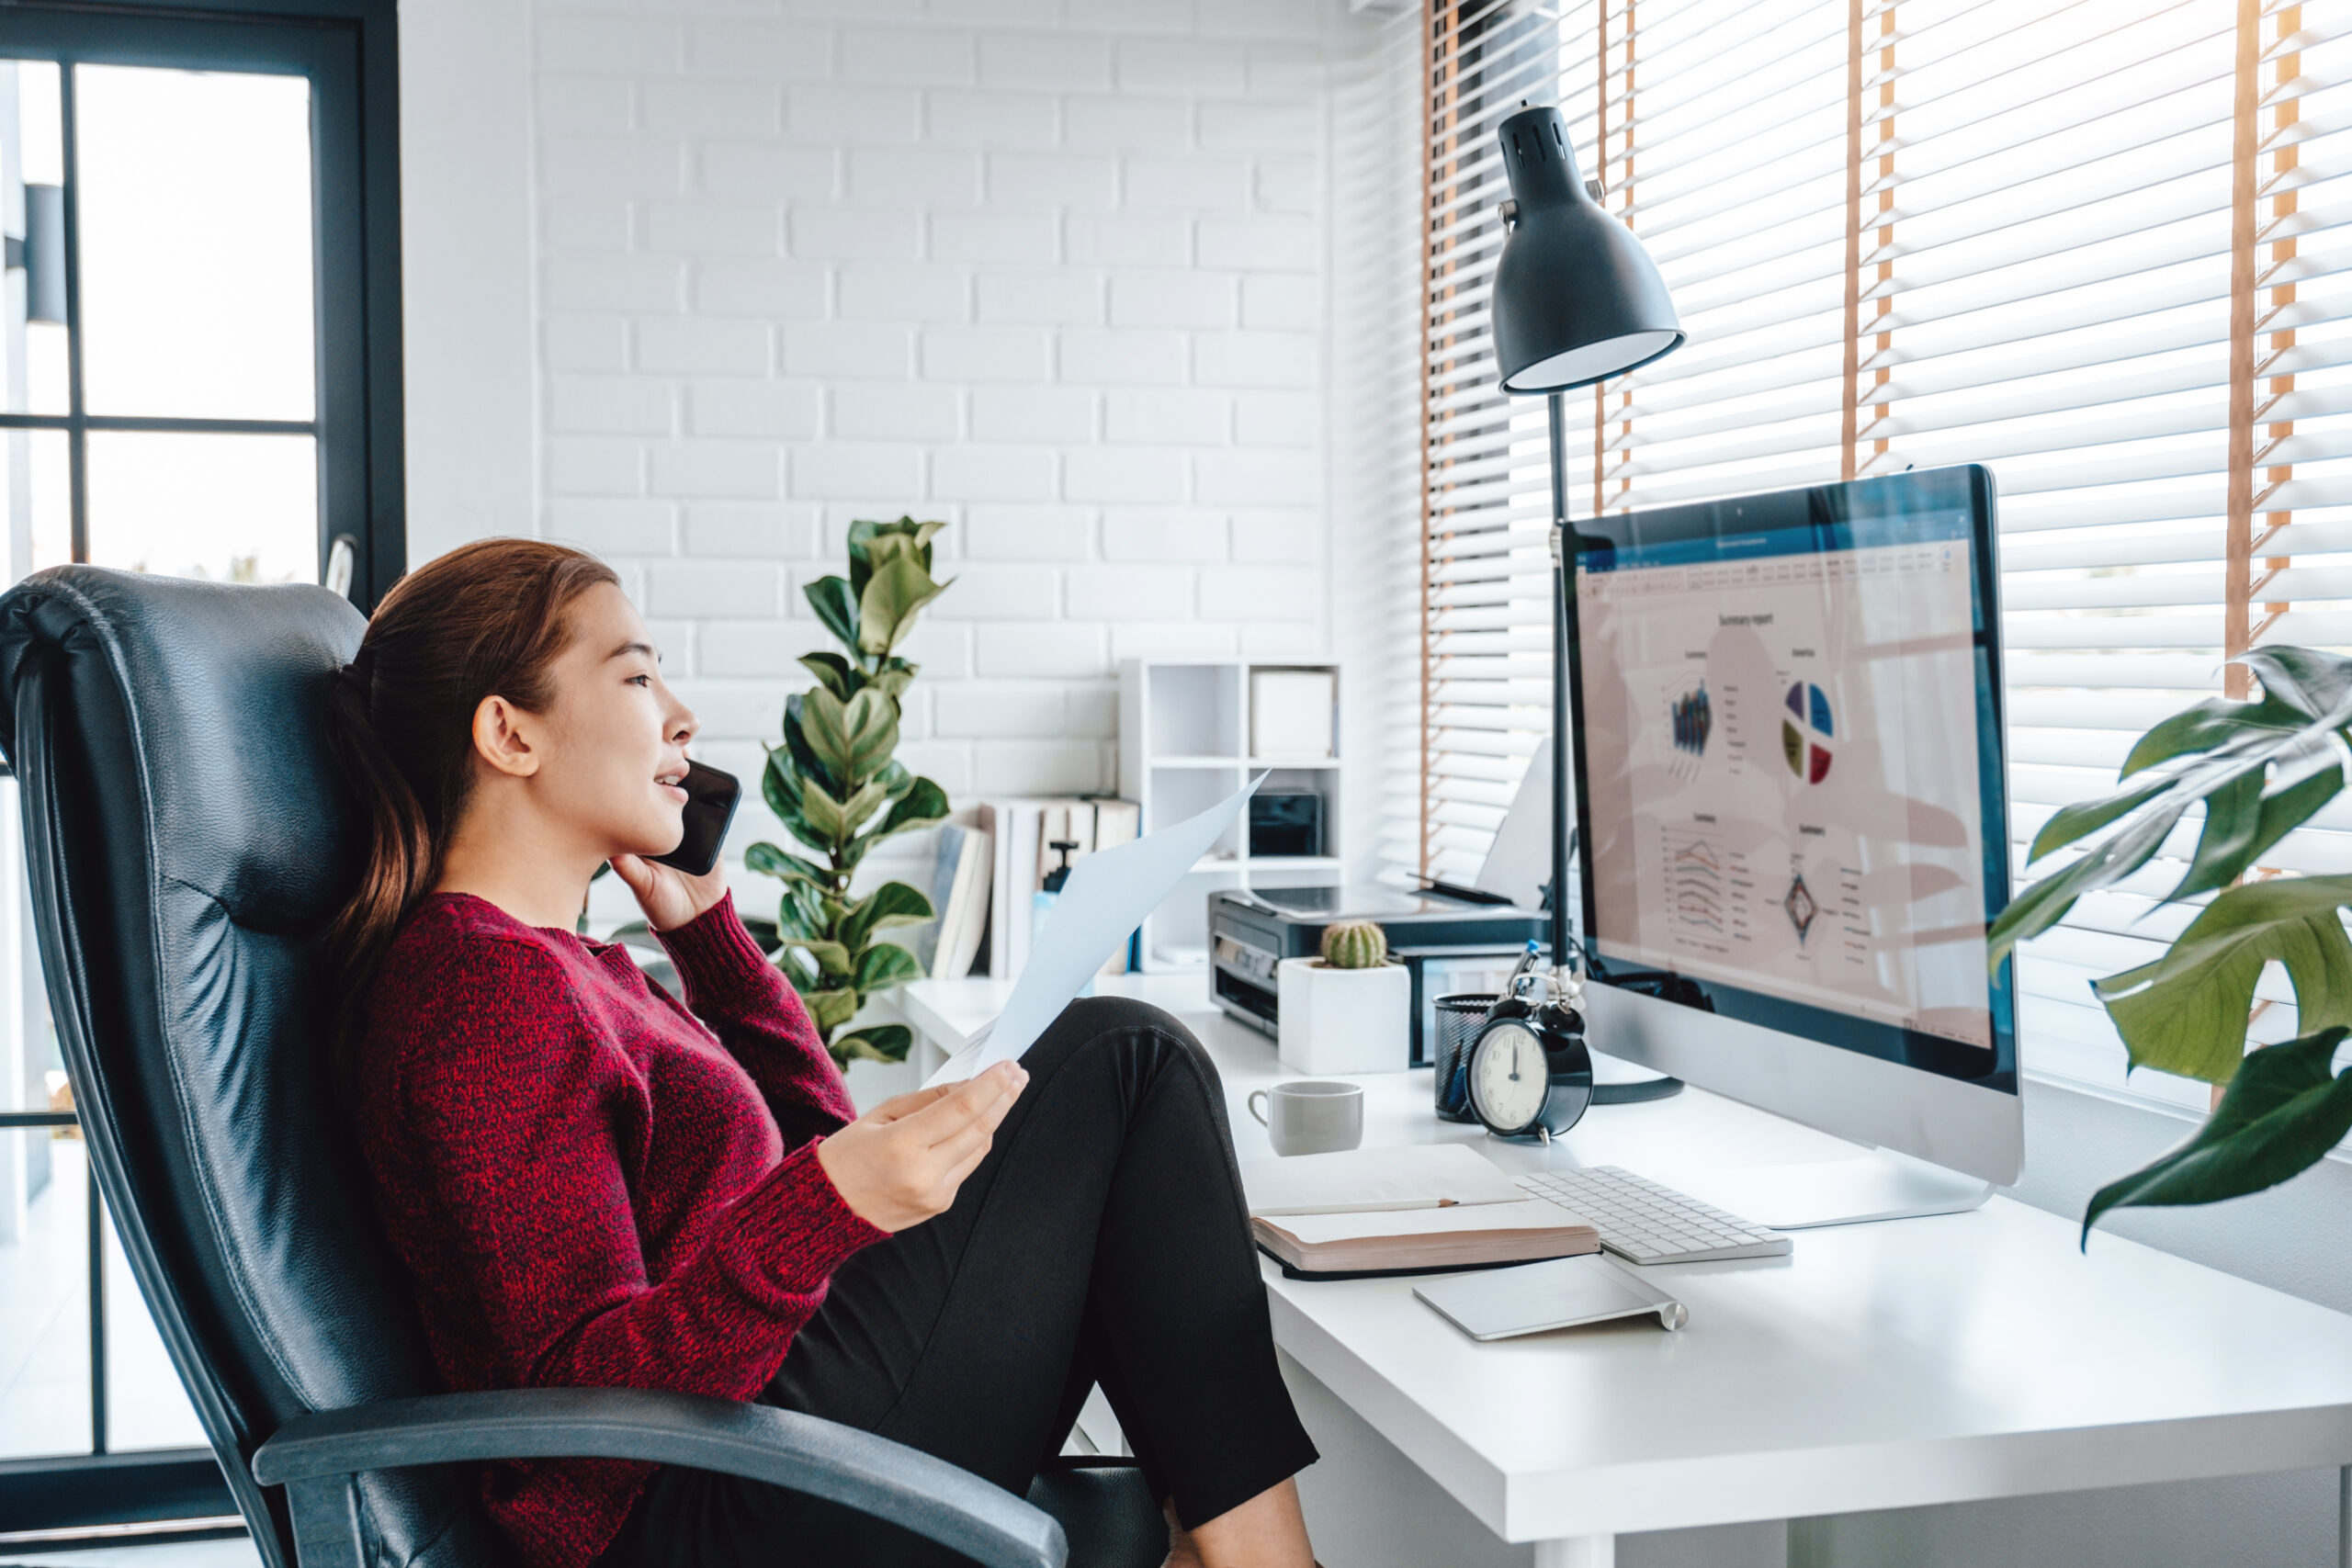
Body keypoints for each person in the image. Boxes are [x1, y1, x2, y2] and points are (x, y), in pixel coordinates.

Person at [324, 539, 1320, 1568]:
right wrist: (817, 1212)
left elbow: (814, 1147)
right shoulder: (479, 991)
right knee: (1124, 1058)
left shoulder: (568, 965)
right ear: (508, 732)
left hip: (742, 1439)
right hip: (691, 1514)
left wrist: (712, 942)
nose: (680, 717)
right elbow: (581, 1403)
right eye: (634, 675)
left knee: (1120, 1070)